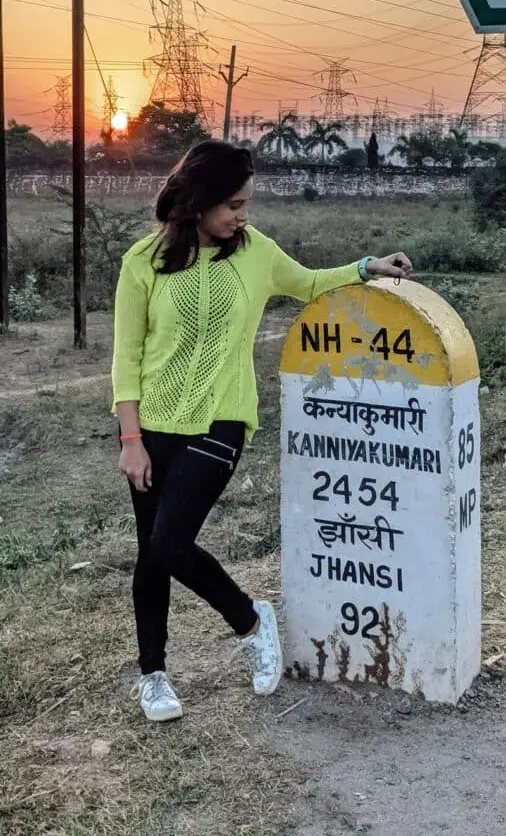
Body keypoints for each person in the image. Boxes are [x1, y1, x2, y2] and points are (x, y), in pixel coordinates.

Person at [112, 140, 413, 723]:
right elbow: (126, 359)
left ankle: (251, 622)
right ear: (197, 201)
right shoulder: (142, 262)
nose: (241, 216)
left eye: (246, 203)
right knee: (152, 556)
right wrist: (131, 440)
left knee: (170, 543)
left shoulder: (256, 253)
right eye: (231, 205)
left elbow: (308, 282)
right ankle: (154, 675)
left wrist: (365, 268)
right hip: (151, 425)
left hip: (223, 417)